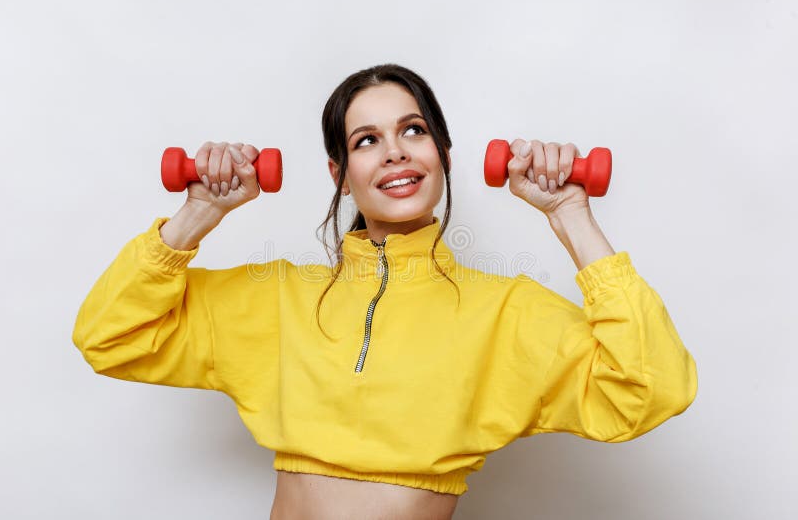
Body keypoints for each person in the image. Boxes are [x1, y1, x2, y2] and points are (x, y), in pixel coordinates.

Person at [72, 63, 698, 520]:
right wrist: (198, 214)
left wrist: (570, 215)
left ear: (445, 156)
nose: (394, 153)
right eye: (366, 140)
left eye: (413, 131)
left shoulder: (506, 312)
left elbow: (649, 390)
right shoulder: (276, 298)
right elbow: (109, 338)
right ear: (340, 177)